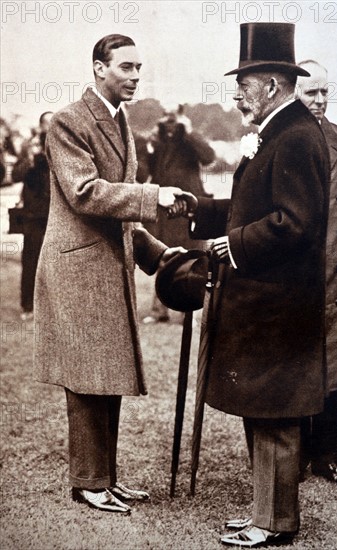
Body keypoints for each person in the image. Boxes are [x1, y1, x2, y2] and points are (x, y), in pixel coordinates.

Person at [170, 23, 330, 547]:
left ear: (274, 85)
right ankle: (265, 512)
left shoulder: (298, 136)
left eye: (246, 81)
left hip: (281, 304)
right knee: (262, 409)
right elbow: (253, 207)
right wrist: (200, 209)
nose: (237, 92)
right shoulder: (280, 132)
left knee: (278, 414)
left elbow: (295, 221)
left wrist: (232, 243)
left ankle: (277, 522)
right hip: (267, 301)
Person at [33, 33, 185, 514]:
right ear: (99, 68)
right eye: (125, 67)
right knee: (85, 379)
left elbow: (123, 214)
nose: (135, 76)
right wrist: (151, 194)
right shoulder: (67, 122)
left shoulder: (124, 126)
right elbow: (84, 192)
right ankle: (88, 482)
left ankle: (106, 478)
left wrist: (160, 253)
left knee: (105, 376)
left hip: (105, 268)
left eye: (139, 67)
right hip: (76, 270)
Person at [296, 60, 337, 485]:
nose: (319, 101)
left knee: (336, 367)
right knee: (299, 364)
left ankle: (328, 455)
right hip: (299, 274)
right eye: (310, 93)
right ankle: (295, 456)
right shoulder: (285, 140)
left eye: (324, 93)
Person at [142, 106, 215, 323]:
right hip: (165, 210)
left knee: (192, 257)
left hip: (190, 207)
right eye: (166, 119)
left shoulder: (190, 139)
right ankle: (159, 311)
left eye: (174, 119)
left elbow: (208, 157)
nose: (170, 124)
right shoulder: (158, 141)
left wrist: (189, 131)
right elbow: (145, 172)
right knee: (163, 255)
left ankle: (189, 311)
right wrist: (151, 145)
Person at [12, 113, 53, 321]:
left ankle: (50, 305)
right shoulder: (30, 148)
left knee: (55, 262)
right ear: (41, 126)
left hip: (54, 213)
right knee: (31, 260)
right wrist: (30, 158)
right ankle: (27, 304)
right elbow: (16, 175)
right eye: (47, 124)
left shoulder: (60, 146)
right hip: (33, 213)